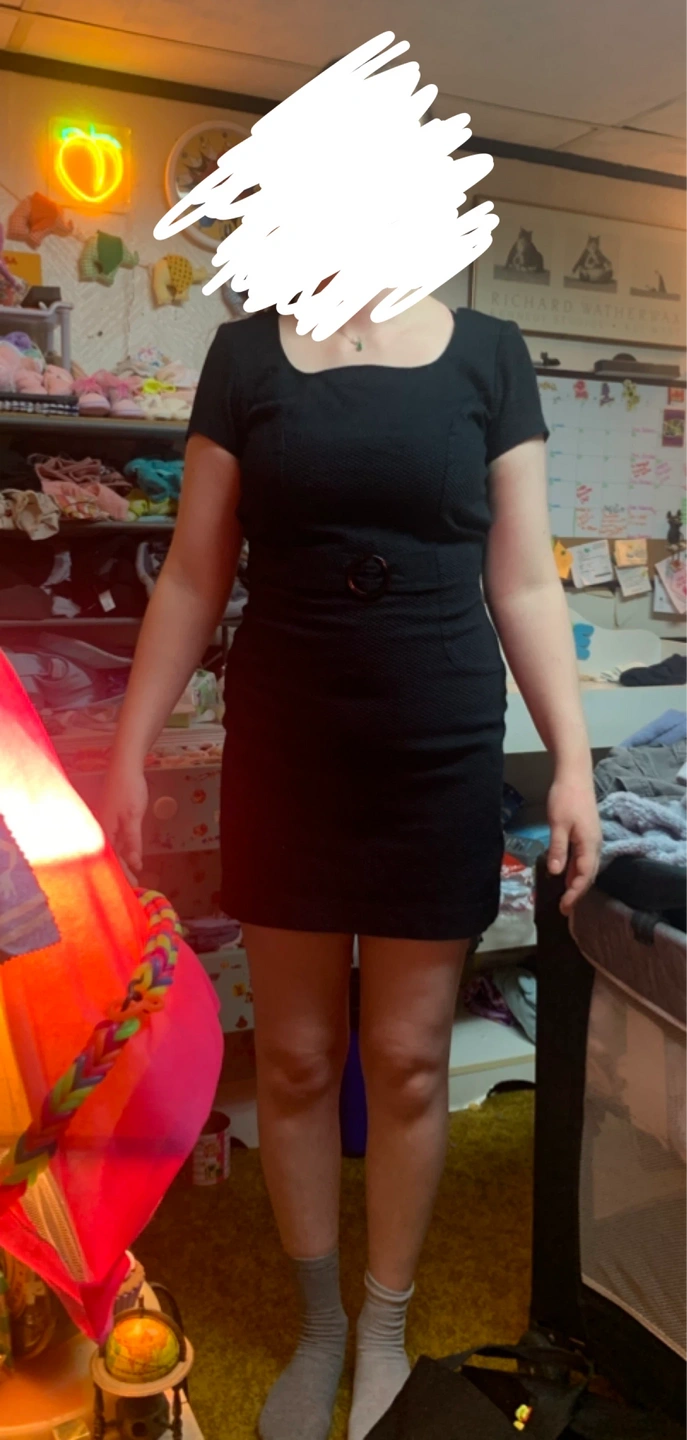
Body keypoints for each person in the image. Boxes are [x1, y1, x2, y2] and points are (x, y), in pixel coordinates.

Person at [101, 288, 602, 1440]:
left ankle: (383, 1327)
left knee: (410, 1061)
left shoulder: (491, 355)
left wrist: (571, 762)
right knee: (294, 1058)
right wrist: (129, 748)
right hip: (287, 751)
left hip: (438, 748)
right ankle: (321, 1322)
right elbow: (193, 575)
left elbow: (524, 580)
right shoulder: (244, 358)